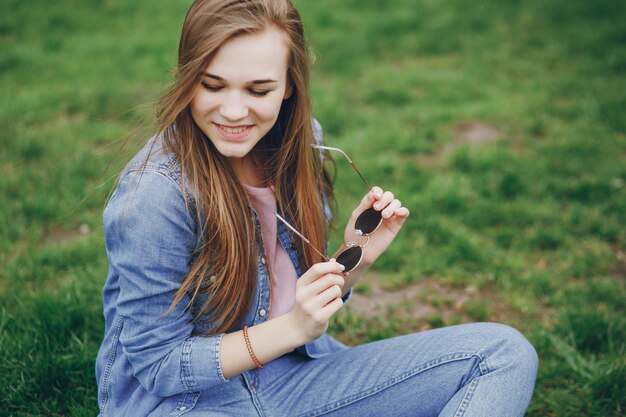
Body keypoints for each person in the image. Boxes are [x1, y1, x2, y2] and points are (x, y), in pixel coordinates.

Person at [95, 0, 538, 415]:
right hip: (192, 402)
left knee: (501, 355)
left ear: (289, 85)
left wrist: (353, 257)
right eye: (212, 85)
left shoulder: (297, 145)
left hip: (294, 377)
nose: (233, 111)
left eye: (258, 89)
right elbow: (159, 366)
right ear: (188, 77)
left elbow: (296, 299)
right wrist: (291, 330)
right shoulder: (155, 194)